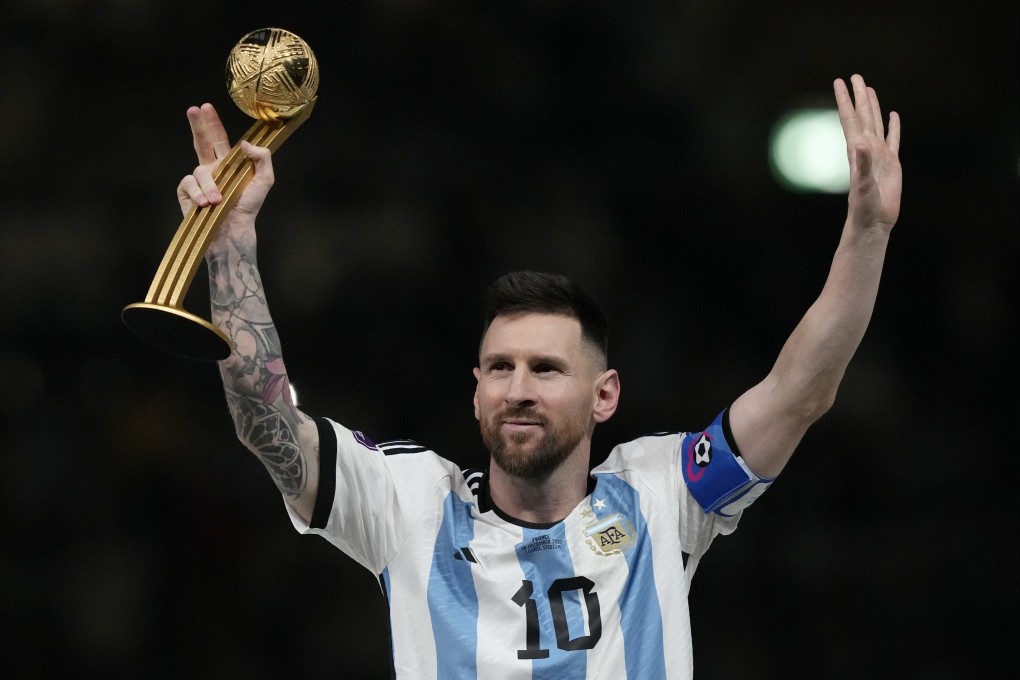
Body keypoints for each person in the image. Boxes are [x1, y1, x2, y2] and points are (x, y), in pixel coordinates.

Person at [177, 74, 902, 678]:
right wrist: (231, 242)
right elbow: (261, 417)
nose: (518, 387)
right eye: (500, 368)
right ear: (476, 390)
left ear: (605, 394)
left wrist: (867, 233)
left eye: (546, 369)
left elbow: (799, 391)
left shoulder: (661, 494)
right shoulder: (409, 504)